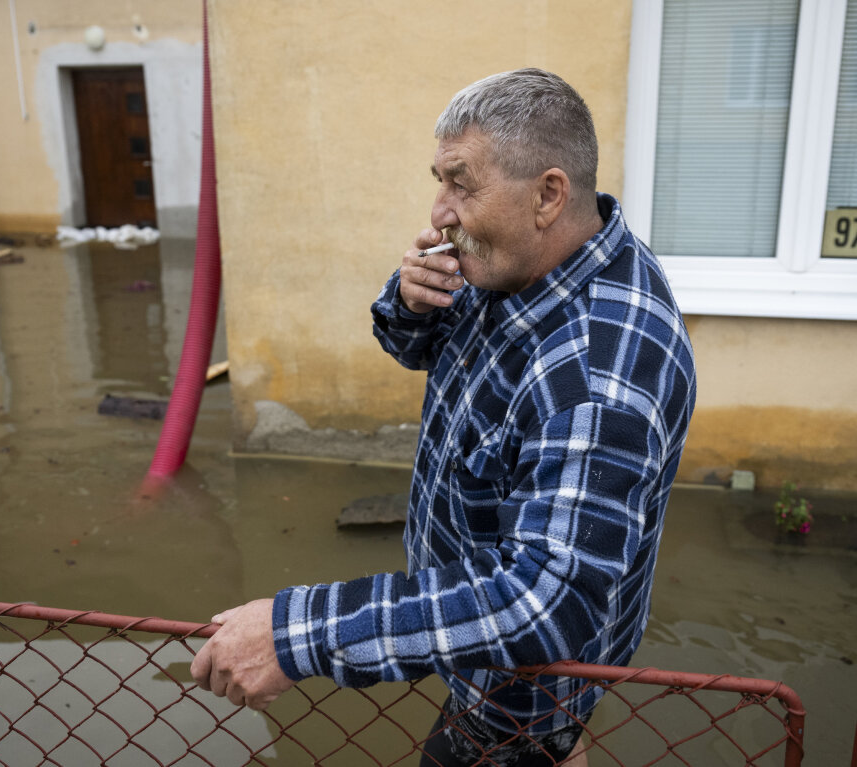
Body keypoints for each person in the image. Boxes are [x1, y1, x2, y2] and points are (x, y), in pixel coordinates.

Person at [191, 68, 696, 766]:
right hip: (477, 653)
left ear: (548, 194)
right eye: (440, 180)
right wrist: (407, 301)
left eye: (461, 183)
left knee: (532, 741)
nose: (438, 212)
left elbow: (545, 602)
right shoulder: (527, 257)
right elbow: (410, 348)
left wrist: (294, 632)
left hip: (514, 695)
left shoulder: (596, 375)